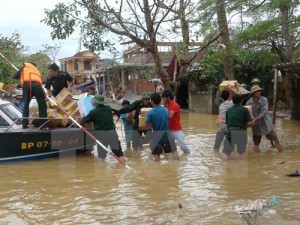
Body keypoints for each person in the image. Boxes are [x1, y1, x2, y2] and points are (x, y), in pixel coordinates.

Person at [81, 94, 126, 164]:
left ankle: (101, 173)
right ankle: (124, 168)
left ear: (96, 102)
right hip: (112, 133)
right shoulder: (108, 108)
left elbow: (83, 121)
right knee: (119, 154)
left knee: (101, 157)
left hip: (102, 135)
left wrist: (83, 119)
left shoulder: (93, 112)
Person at [140, 93, 179, 161]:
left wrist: (141, 126)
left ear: (152, 102)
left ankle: (158, 170)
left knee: (157, 155)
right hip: (168, 135)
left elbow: (146, 125)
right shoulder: (166, 110)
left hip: (157, 136)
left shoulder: (150, 113)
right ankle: (177, 167)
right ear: (160, 100)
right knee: (174, 151)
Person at [246, 86, 283, 152]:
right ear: (254, 93)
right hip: (256, 126)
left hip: (265, 124)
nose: (260, 92)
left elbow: (264, 113)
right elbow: (248, 112)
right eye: (258, 91)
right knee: (256, 144)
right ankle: (256, 160)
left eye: (260, 91)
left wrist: (254, 119)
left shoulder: (264, 100)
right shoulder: (249, 102)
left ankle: (281, 154)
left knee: (276, 140)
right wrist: (250, 120)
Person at [13, 61, 47, 129]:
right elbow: (36, 81)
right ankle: (43, 125)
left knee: (26, 104)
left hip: (27, 86)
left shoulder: (25, 67)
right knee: (42, 105)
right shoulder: (36, 70)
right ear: (34, 65)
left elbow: (15, 77)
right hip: (37, 86)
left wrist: (20, 76)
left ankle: (24, 124)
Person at [222, 94, 253, 160]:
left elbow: (227, 123)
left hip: (230, 131)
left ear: (232, 101)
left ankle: (224, 169)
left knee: (226, 153)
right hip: (241, 132)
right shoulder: (245, 110)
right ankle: (242, 168)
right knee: (242, 152)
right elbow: (250, 123)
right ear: (241, 100)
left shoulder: (228, 110)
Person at [161, 90, 190, 154]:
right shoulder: (167, 105)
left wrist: (159, 117)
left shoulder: (174, 105)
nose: (163, 99)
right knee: (169, 147)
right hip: (169, 129)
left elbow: (170, 116)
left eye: (164, 98)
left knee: (183, 147)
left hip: (176, 130)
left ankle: (188, 157)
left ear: (168, 97)